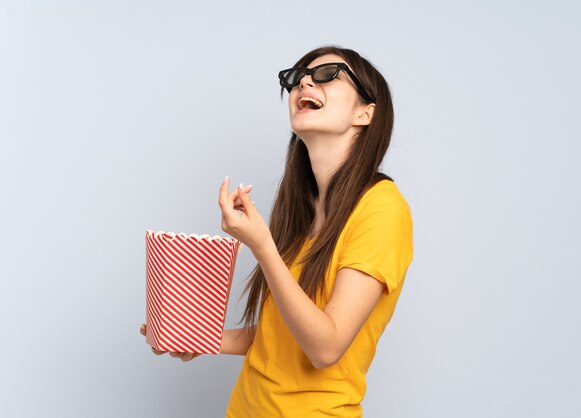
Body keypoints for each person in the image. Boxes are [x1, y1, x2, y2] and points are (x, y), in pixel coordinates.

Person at [140, 45, 413, 417]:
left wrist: (261, 245)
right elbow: (281, 333)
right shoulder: (303, 209)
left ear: (365, 113)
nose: (303, 81)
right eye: (297, 77)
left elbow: (325, 347)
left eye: (326, 74)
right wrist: (199, 338)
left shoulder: (382, 209)